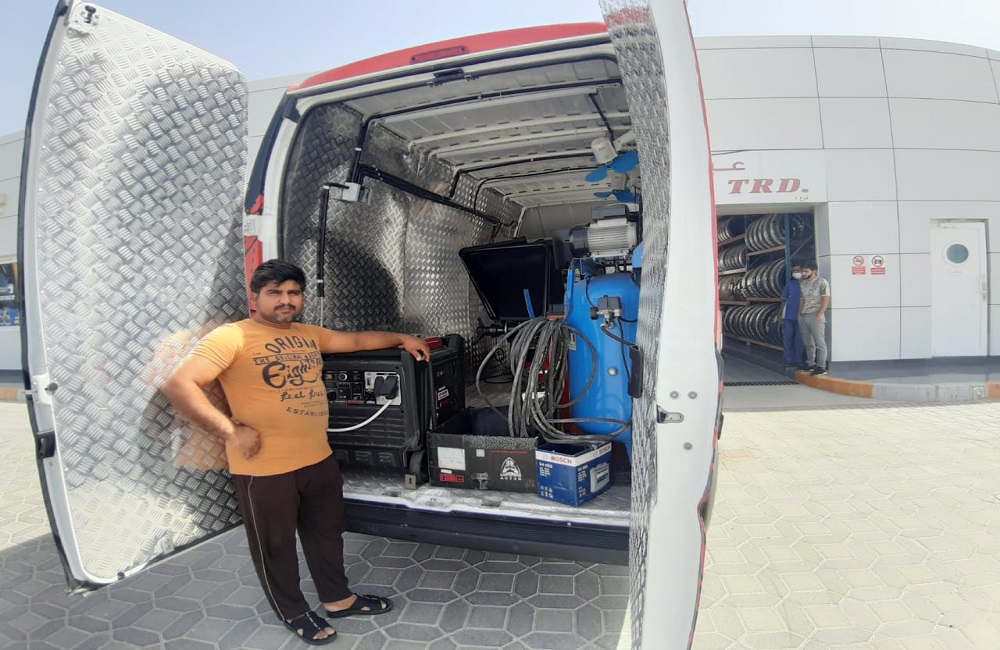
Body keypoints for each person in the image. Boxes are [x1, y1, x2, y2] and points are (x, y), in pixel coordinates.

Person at [162, 259, 430, 645]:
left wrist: (401, 338)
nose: (285, 300)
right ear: (255, 297)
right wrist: (230, 431)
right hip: (264, 468)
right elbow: (180, 384)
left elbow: (355, 341)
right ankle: (292, 611)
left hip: (317, 459)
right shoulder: (232, 336)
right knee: (276, 546)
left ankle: (339, 599)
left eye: (293, 292)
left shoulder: (307, 334)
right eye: (275, 292)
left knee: (326, 535)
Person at [796, 261, 831, 376]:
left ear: (814, 271)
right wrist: (800, 313)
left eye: (806, 271)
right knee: (807, 341)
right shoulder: (803, 283)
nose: (803, 273)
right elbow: (802, 299)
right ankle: (810, 363)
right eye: (803, 271)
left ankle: (821, 366)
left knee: (819, 342)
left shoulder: (822, 282)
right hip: (804, 314)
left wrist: (820, 314)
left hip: (816, 314)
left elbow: (826, 299)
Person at [779, 263, 805, 369]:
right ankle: (788, 360)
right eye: (793, 271)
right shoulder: (790, 284)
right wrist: (780, 313)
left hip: (802, 315)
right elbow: (783, 299)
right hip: (789, 316)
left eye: (797, 270)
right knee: (787, 338)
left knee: (800, 339)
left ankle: (799, 360)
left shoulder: (808, 284)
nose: (795, 273)